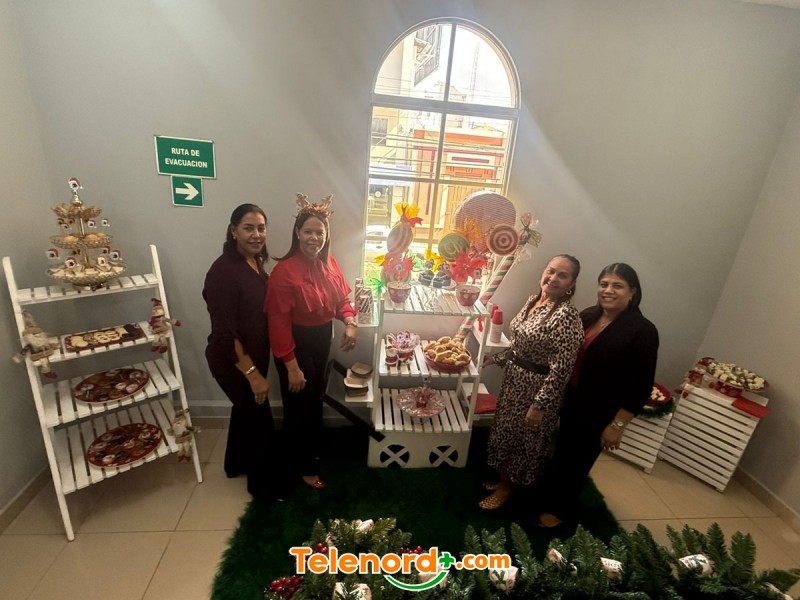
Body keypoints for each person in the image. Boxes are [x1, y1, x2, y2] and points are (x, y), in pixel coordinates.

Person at [535, 262, 659, 527]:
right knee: (562, 452)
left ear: (632, 292)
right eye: (604, 284)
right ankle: (547, 496)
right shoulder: (588, 316)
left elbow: (641, 386)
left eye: (617, 286)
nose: (608, 290)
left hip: (600, 410)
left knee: (578, 462)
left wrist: (617, 426)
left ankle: (560, 512)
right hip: (572, 399)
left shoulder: (642, 331)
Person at [266, 194, 358, 490]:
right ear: (297, 233)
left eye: (320, 232)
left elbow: (342, 300)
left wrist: (350, 322)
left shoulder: (330, 263)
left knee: (315, 398)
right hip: (295, 345)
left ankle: (311, 451)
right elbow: (278, 323)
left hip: (322, 339)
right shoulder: (284, 271)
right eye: (308, 231)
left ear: (326, 235)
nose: (314, 238)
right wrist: (291, 366)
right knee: (299, 406)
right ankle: (302, 466)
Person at [480, 254, 584, 510]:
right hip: (513, 383)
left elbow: (561, 370)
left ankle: (508, 489)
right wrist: (495, 359)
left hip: (537, 391)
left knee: (524, 442)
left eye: (563, 275)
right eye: (551, 271)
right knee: (505, 432)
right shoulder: (532, 301)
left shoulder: (566, 316)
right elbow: (520, 347)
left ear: (572, 283)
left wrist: (540, 405)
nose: (553, 278)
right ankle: (503, 479)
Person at [203, 203, 285, 502]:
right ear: (233, 230)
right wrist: (253, 375)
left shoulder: (254, 261)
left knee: (245, 411)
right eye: (248, 228)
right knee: (260, 422)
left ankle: (234, 464)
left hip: (253, 356)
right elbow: (226, 335)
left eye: (261, 228)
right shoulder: (223, 273)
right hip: (233, 362)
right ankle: (265, 488)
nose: (256, 234)